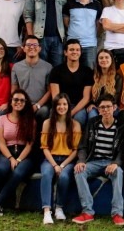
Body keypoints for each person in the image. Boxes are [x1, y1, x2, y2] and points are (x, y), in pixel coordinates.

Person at [72, 94, 124, 226]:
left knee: (118, 172)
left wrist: (116, 163)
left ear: (114, 108)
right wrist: (81, 161)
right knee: (79, 171)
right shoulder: (92, 123)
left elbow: (123, 150)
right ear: (98, 109)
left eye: (108, 107)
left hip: (111, 162)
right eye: (102, 107)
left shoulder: (121, 126)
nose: (106, 110)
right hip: (94, 161)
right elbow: (83, 146)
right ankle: (87, 212)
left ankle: (117, 214)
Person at [0, 89, 36, 217]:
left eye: (22, 100)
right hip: (7, 152)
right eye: (16, 99)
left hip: (25, 155)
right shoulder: (1, 119)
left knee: (18, 172)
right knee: (1, 169)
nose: (19, 102)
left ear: (26, 103)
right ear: (11, 102)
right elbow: (1, 143)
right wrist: (11, 158)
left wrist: (19, 160)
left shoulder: (31, 121)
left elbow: (29, 145)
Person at [40, 94, 82, 224]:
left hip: (67, 160)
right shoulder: (47, 123)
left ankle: (59, 207)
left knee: (64, 177)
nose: (61, 107)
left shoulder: (75, 125)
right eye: (59, 104)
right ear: (54, 107)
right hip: (50, 159)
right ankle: (47, 211)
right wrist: (54, 165)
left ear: (68, 106)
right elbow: (45, 147)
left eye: (64, 104)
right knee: (46, 174)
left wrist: (62, 165)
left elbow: (75, 150)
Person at [24, 0, 68, 67]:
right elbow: (27, 15)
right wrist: (31, 36)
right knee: (40, 67)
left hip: (58, 38)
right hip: (40, 37)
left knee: (57, 68)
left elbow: (65, 16)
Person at [49, 39, 93, 127]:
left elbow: (86, 98)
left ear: (80, 53)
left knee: (79, 119)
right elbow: (55, 96)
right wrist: (63, 109)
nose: (75, 52)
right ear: (65, 52)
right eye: (71, 50)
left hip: (78, 107)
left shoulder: (87, 71)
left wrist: (71, 113)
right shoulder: (56, 70)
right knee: (53, 121)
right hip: (60, 105)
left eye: (77, 50)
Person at [11, 36, 53, 124]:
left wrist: (37, 105)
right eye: (28, 45)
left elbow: (50, 91)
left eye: (35, 45)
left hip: (41, 105)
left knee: (43, 112)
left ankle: (39, 137)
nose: (32, 47)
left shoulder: (48, 67)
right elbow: (14, 89)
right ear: (23, 48)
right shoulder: (16, 67)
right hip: (22, 103)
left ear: (39, 48)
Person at [63, 0, 102, 69]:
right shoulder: (69, 4)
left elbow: (98, 25)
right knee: (70, 70)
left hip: (90, 45)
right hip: (72, 44)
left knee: (89, 72)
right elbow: (66, 23)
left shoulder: (97, 5)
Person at [87, 49, 122, 119]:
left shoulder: (118, 77)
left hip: (111, 107)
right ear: (97, 61)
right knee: (92, 115)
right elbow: (89, 96)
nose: (104, 60)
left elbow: (116, 97)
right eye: (101, 58)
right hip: (96, 107)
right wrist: (91, 104)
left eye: (106, 57)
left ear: (111, 60)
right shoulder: (93, 75)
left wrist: (103, 108)